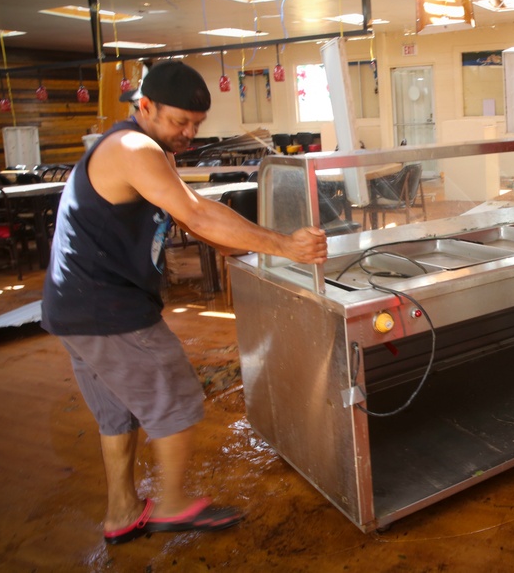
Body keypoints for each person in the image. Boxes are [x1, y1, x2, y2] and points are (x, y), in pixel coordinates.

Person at [41, 61, 328, 545]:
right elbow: (195, 212)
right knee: (175, 394)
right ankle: (171, 505)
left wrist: (247, 253)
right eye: (180, 122)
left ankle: (122, 512)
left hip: (75, 306)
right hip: (106, 306)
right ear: (145, 106)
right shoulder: (133, 148)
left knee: (118, 413)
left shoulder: (150, 148)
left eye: (197, 124)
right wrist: (285, 246)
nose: (190, 134)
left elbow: (192, 217)